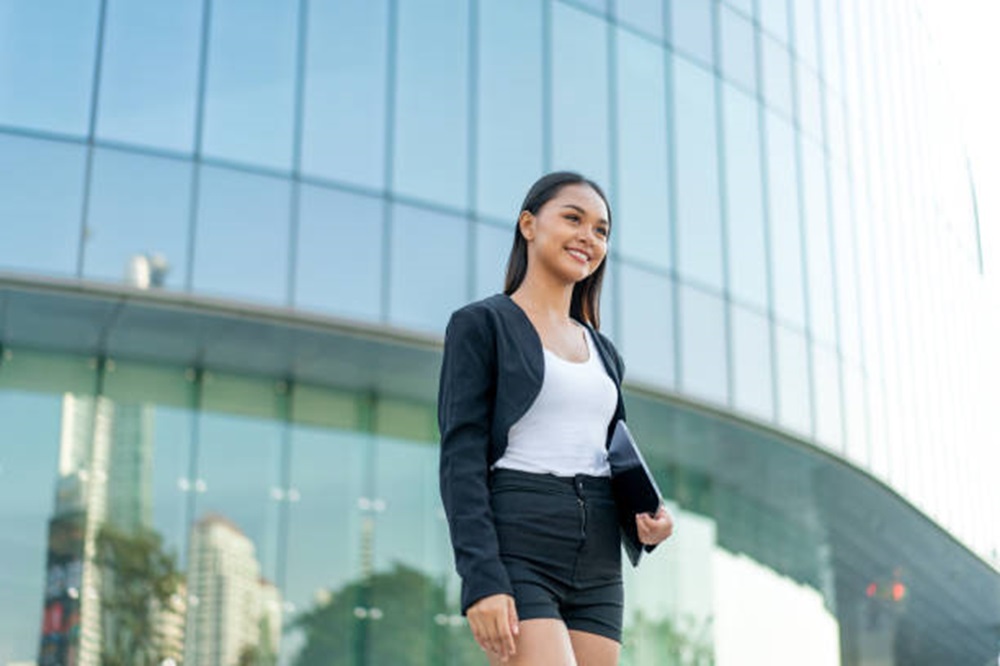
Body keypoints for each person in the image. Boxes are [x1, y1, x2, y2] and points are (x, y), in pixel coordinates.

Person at [438, 171, 675, 665]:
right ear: (528, 224)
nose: (588, 237)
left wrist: (646, 517)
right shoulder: (482, 325)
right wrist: (481, 579)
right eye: (573, 218)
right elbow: (461, 461)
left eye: (601, 230)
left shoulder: (604, 351)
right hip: (521, 533)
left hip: (599, 557)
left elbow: (608, 453)